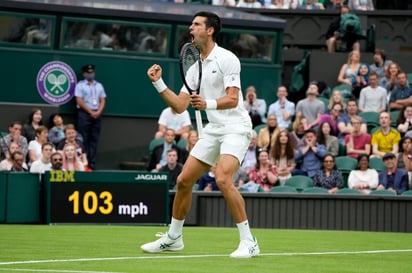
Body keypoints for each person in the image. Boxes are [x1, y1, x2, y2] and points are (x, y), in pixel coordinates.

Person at [141, 11, 260, 258]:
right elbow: (180, 106)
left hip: (236, 128)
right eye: (191, 24)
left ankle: (249, 241)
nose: (190, 28)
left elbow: (233, 98)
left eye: (196, 24)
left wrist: (207, 104)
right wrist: (158, 83)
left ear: (210, 30)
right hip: (213, 130)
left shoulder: (227, 59)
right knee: (184, 180)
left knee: (223, 177)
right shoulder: (194, 69)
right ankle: (174, 238)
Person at [75, 64, 107, 170]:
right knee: (83, 139)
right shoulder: (80, 85)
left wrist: (98, 111)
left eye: (92, 72)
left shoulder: (99, 85)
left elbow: (102, 100)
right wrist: (90, 112)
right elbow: (79, 100)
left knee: (94, 139)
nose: (90, 74)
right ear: (84, 74)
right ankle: (84, 163)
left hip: (97, 114)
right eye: (88, 73)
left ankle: (92, 164)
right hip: (84, 114)